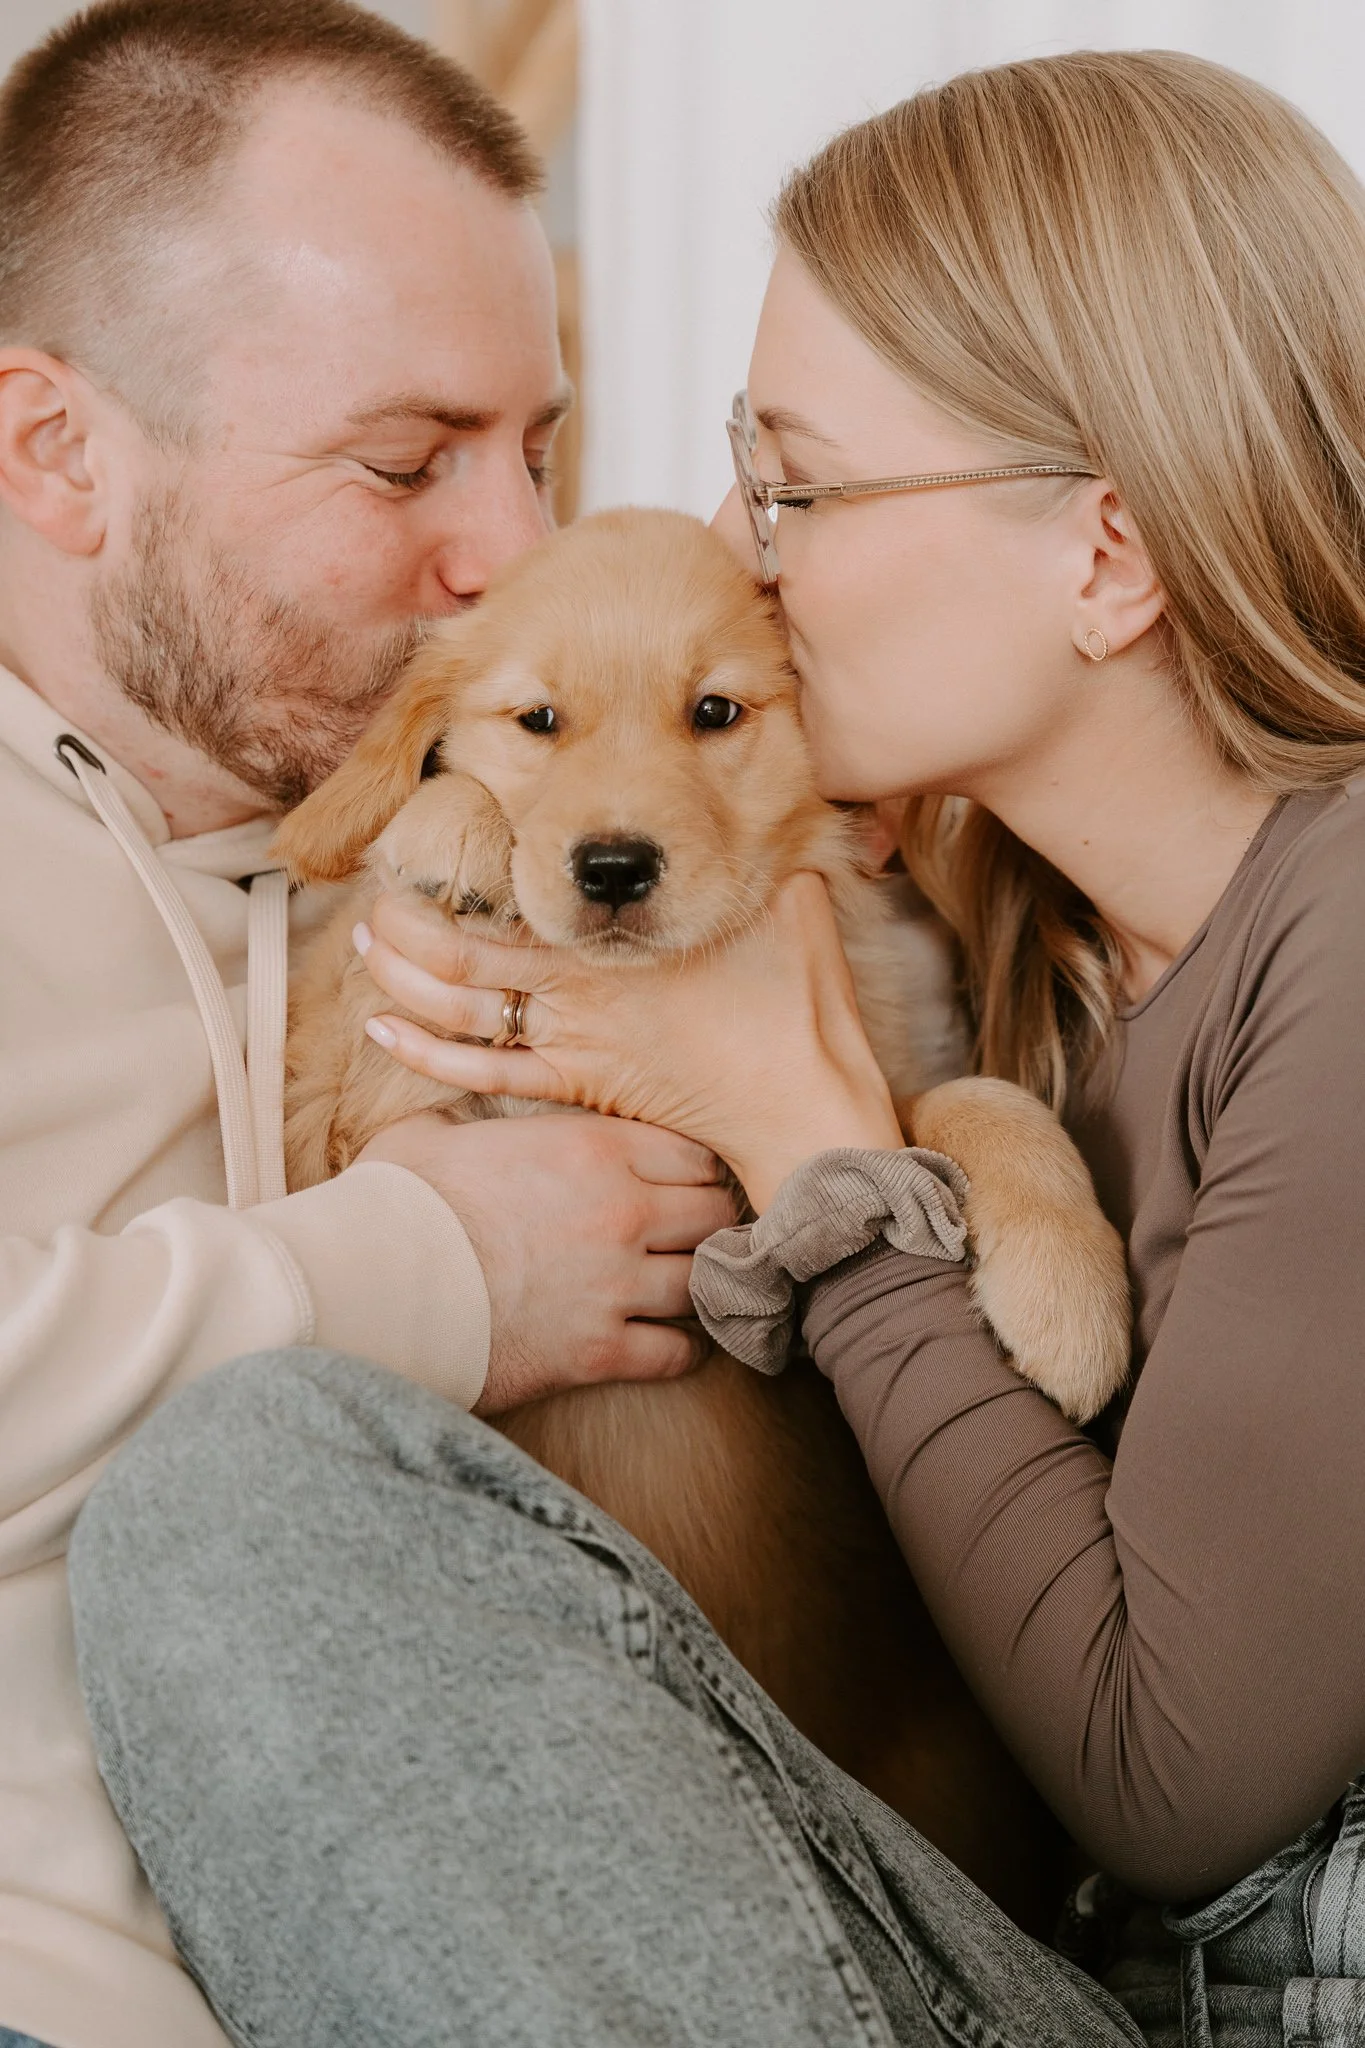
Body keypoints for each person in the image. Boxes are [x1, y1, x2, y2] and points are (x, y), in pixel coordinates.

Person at [64, 40, 1365, 2048]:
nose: (731, 553)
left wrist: (803, 1133)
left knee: (243, 1495)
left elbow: (1172, 1781)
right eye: (739, 470)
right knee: (258, 1489)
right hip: (961, 1936)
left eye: (800, 486)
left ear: (1105, 554)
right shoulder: (1020, 931)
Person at [0, 5, 741, 2046]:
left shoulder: (497, 785)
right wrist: (445, 1269)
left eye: (540, 448)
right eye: (406, 459)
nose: (509, 549)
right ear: (56, 451)